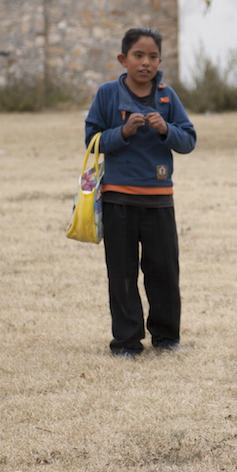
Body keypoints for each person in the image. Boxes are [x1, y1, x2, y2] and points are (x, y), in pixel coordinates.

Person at [84, 27, 197, 358]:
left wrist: (166, 130)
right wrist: (122, 132)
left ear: (160, 60)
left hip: (159, 198)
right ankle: (126, 342)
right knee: (121, 274)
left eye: (152, 57)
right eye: (138, 56)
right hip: (118, 197)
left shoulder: (167, 96)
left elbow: (188, 140)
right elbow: (91, 141)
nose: (145, 63)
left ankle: (166, 338)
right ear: (123, 59)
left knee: (163, 271)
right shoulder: (107, 95)